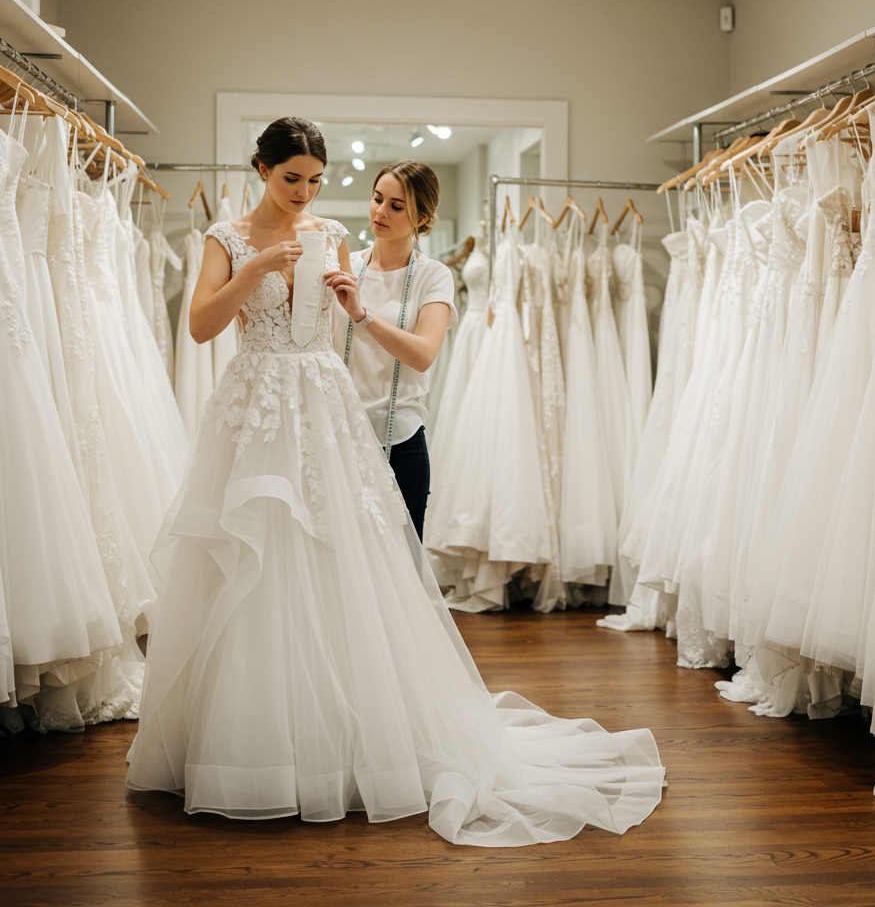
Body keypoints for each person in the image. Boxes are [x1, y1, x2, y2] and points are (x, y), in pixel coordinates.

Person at [124, 116, 664, 844]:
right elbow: (198, 327)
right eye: (292, 180)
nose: (304, 194)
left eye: (315, 182)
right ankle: (248, 745)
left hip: (323, 411)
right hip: (254, 412)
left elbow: (350, 333)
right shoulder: (226, 238)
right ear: (261, 170)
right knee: (250, 559)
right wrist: (254, 268)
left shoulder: (333, 237)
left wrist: (353, 306)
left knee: (337, 565)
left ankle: (344, 739)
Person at [326, 161, 455, 538]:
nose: (380, 212)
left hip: (400, 442)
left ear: (422, 217)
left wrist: (362, 315)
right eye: (377, 198)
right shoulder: (346, 265)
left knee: (402, 566)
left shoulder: (434, 275)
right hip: (338, 433)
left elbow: (423, 353)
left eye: (396, 206)